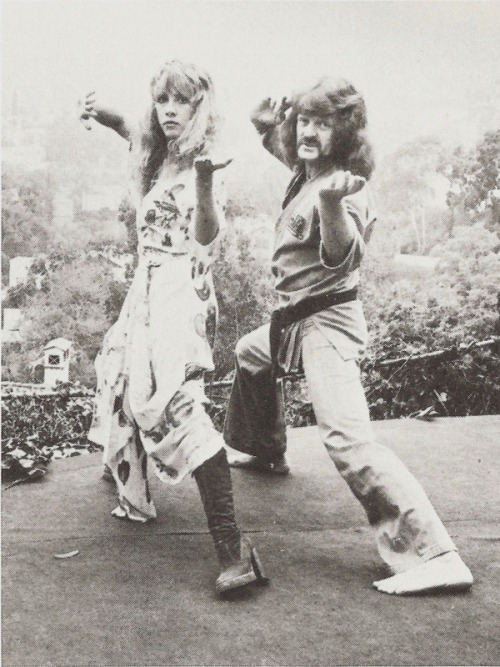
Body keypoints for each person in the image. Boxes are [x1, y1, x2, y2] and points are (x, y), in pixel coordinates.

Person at [224, 77, 474, 595]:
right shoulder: (308, 170)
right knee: (251, 356)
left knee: (345, 437)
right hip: (292, 320)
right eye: (306, 121)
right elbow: (289, 151)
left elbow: (342, 255)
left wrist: (333, 206)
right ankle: (263, 447)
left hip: (327, 324)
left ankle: (434, 554)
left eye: (325, 124)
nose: (310, 132)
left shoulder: (344, 189)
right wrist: (264, 125)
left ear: (347, 133)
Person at [78, 60, 267, 596]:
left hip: (180, 290)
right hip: (148, 285)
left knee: (170, 405)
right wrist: (103, 111)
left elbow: (207, 236)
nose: (168, 110)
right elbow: (130, 130)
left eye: (181, 101)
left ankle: (234, 552)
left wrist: (206, 180)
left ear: (200, 108)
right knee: (115, 369)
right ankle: (129, 487)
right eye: (162, 100)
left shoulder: (207, 166)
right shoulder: (160, 154)